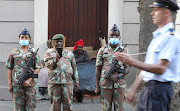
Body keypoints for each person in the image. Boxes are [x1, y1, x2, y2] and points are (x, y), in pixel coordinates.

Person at [114, 0, 180, 111]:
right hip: (150, 90)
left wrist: (132, 62)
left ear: (166, 12)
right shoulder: (158, 36)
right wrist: (134, 89)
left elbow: (161, 68)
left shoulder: (169, 37)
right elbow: (147, 68)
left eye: (156, 10)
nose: (152, 13)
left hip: (159, 90)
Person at [95, 24, 130, 111]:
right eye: (112, 35)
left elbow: (127, 68)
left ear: (119, 37)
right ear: (108, 37)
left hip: (119, 85)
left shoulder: (124, 51)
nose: (114, 37)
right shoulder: (102, 50)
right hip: (105, 85)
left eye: (116, 36)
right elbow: (98, 69)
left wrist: (118, 76)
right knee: (106, 109)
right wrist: (97, 86)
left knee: (120, 109)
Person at [5, 28, 42, 111]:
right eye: (22, 37)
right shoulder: (13, 52)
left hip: (31, 85)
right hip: (17, 84)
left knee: (31, 106)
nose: (24, 39)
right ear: (19, 39)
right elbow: (9, 68)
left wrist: (29, 80)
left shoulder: (33, 52)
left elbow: (38, 68)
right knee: (18, 107)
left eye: (26, 37)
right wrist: (9, 84)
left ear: (29, 39)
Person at [44, 34, 79, 111]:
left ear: (63, 42)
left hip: (67, 83)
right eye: (57, 42)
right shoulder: (48, 53)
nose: (59, 43)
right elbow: (49, 66)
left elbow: (74, 68)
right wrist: (55, 60)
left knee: (68, 106)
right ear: (53, 42)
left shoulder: (69, 53)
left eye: (60, 41)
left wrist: (76, 82)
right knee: (55, 107)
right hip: (54, 84)